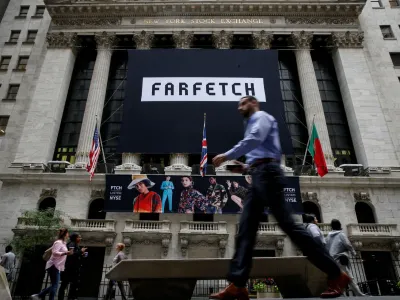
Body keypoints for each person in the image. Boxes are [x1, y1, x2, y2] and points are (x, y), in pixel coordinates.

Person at [211, 96, 350, 299]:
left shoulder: (261, 117)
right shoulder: (253, 122)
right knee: (246, 230)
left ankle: (336, 274)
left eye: (243, 103)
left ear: (253, 103)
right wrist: (245, 167)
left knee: (290, 227)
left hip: (268, 175)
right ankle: (238, 285)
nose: (239, 107)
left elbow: (254, 140)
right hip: (259, 174)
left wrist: (227, 155)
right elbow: (261, 152)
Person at [326, 219, 366, 297]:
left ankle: (341, 294)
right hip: (340, 259)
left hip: (332, 260)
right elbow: (348, 244)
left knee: (337, 278)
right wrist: (354, 253)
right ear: (339, 226)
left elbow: (326, 247)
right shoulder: (341, 234)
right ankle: (359, 293)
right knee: (349, 277)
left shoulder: (328, 236)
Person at [31, 228, 73, 300]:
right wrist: (66, 253)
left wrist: (68, 253)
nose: (68, 235)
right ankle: (40, 296)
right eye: (67, 233)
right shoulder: (58, 242)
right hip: (54, 265)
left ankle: (39, 295)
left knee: (54, 285)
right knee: (55, 285)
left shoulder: (63, 243)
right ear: (65, 234)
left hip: (57, 265)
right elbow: (55, 252)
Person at [58, 233, 87, 300]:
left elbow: (75, 255)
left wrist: (82, 254)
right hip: (69, 269)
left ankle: (71, 297)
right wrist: (80, 251)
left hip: (72, 269)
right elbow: (71, 254)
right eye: (79, 237)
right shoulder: (71, 244)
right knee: (65, 285)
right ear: (75, 238)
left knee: (72, 284)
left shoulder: (74, 244)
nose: (80, 239)